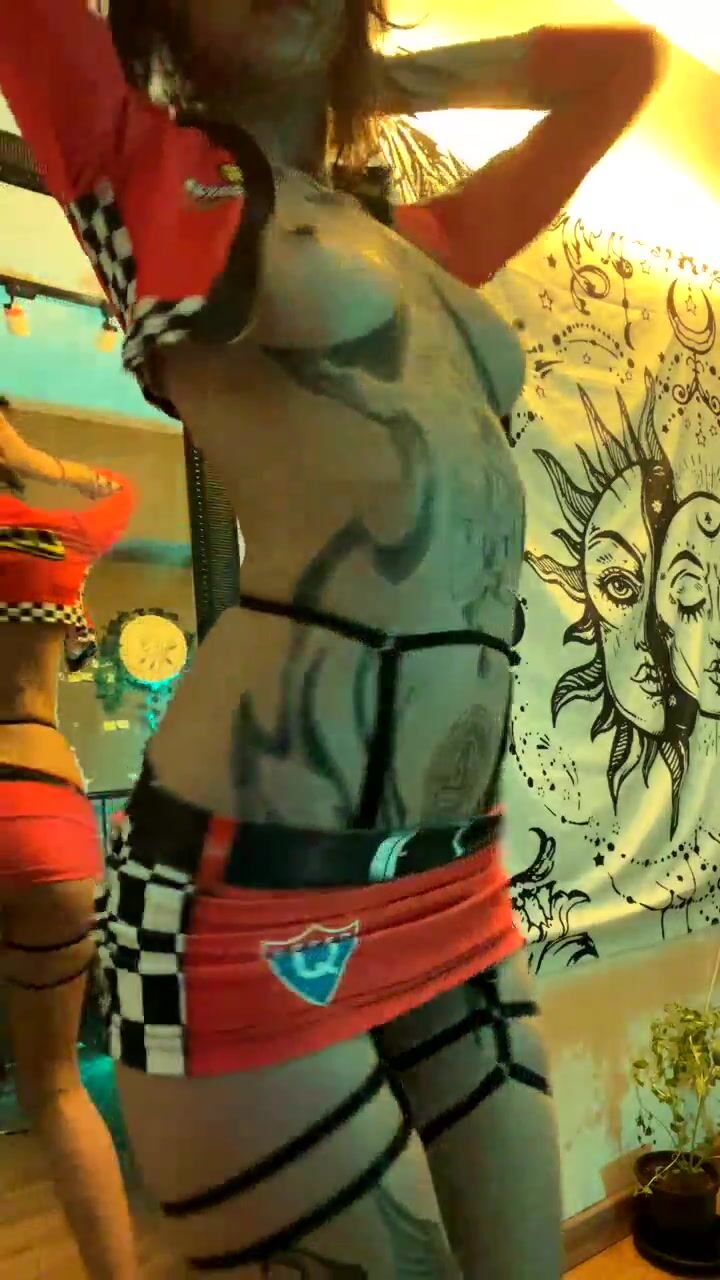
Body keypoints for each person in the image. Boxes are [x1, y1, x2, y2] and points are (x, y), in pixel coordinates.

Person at [0, 4, 664, 1275]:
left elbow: (621, 70)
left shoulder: (414, 237)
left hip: (451, 879)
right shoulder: (138, 167)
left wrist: (374, 77)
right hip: (243, 896)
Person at [0, 402, 137, 1279]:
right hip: (44, 807)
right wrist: (40, 462)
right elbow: (120, 490)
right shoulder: (56, 538)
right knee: (55, 1086)